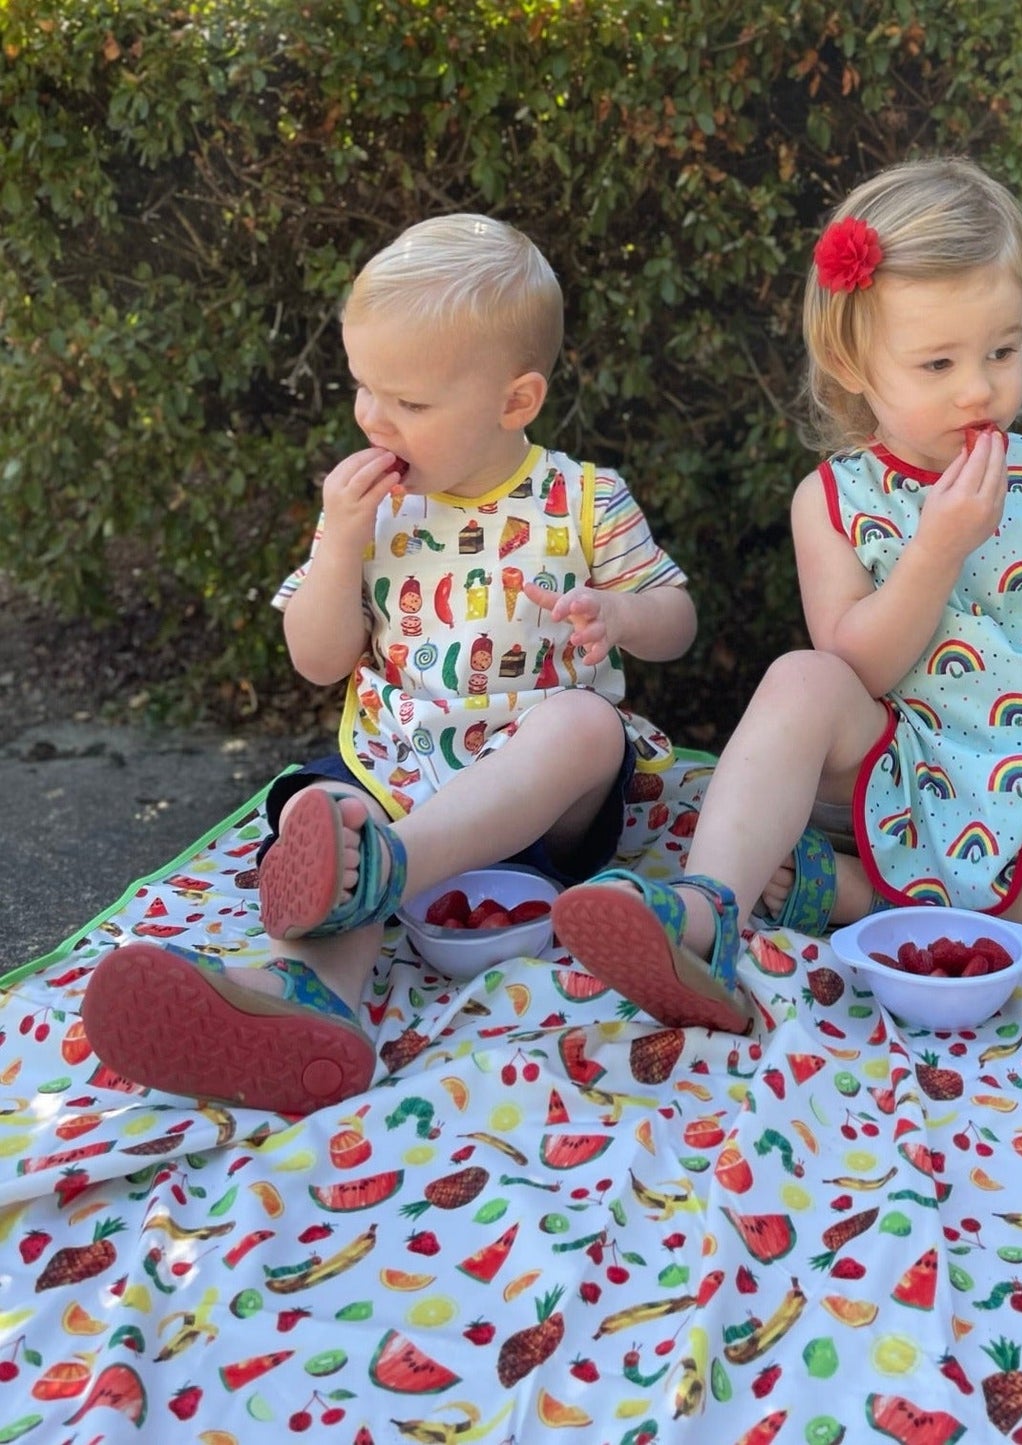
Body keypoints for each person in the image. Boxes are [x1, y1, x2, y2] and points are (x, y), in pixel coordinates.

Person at [551, 155, 1022, 1034]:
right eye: (937, 362)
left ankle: (859, 897)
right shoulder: (834, 500)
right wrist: (937, 547)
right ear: (853, 362)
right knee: (801, 677)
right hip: (891, 769)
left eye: (1002, 351)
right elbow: (855, 659)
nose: (979, 387)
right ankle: (707, 907)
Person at [83, 214, 697, 1112]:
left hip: (533, 802)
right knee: (331, 808)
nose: (375, 417)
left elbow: (678, 622)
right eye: (364, 387)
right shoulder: (372, 513)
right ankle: (313, 1002)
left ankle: (385, 864)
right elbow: (318, 656)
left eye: (408, 402)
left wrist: (624, 612)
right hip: (397, 764)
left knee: (582, 724)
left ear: (514, 402)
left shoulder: (582, 499)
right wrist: (338, 544)